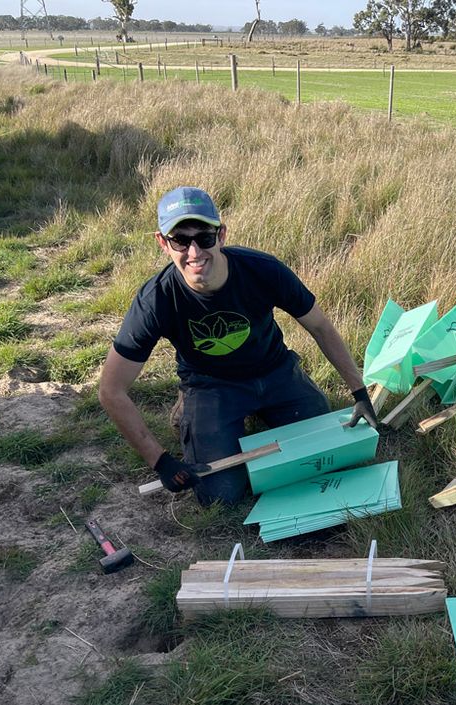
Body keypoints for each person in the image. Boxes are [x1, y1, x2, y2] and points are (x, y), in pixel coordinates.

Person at [99, 186, 378, 506]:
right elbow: (111, 390)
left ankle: (269, 407)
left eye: (204, 237)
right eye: (180, 240)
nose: (194, 252)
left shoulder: (262, 270)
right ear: (163, 243)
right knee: (220, 496)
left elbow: (320, 327)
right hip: (211, 384)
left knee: (323, 456)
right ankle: (190, 410)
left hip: (275, 371)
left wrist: (359, 393)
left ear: (221, 235)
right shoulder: (156, 300)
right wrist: (160, 461)